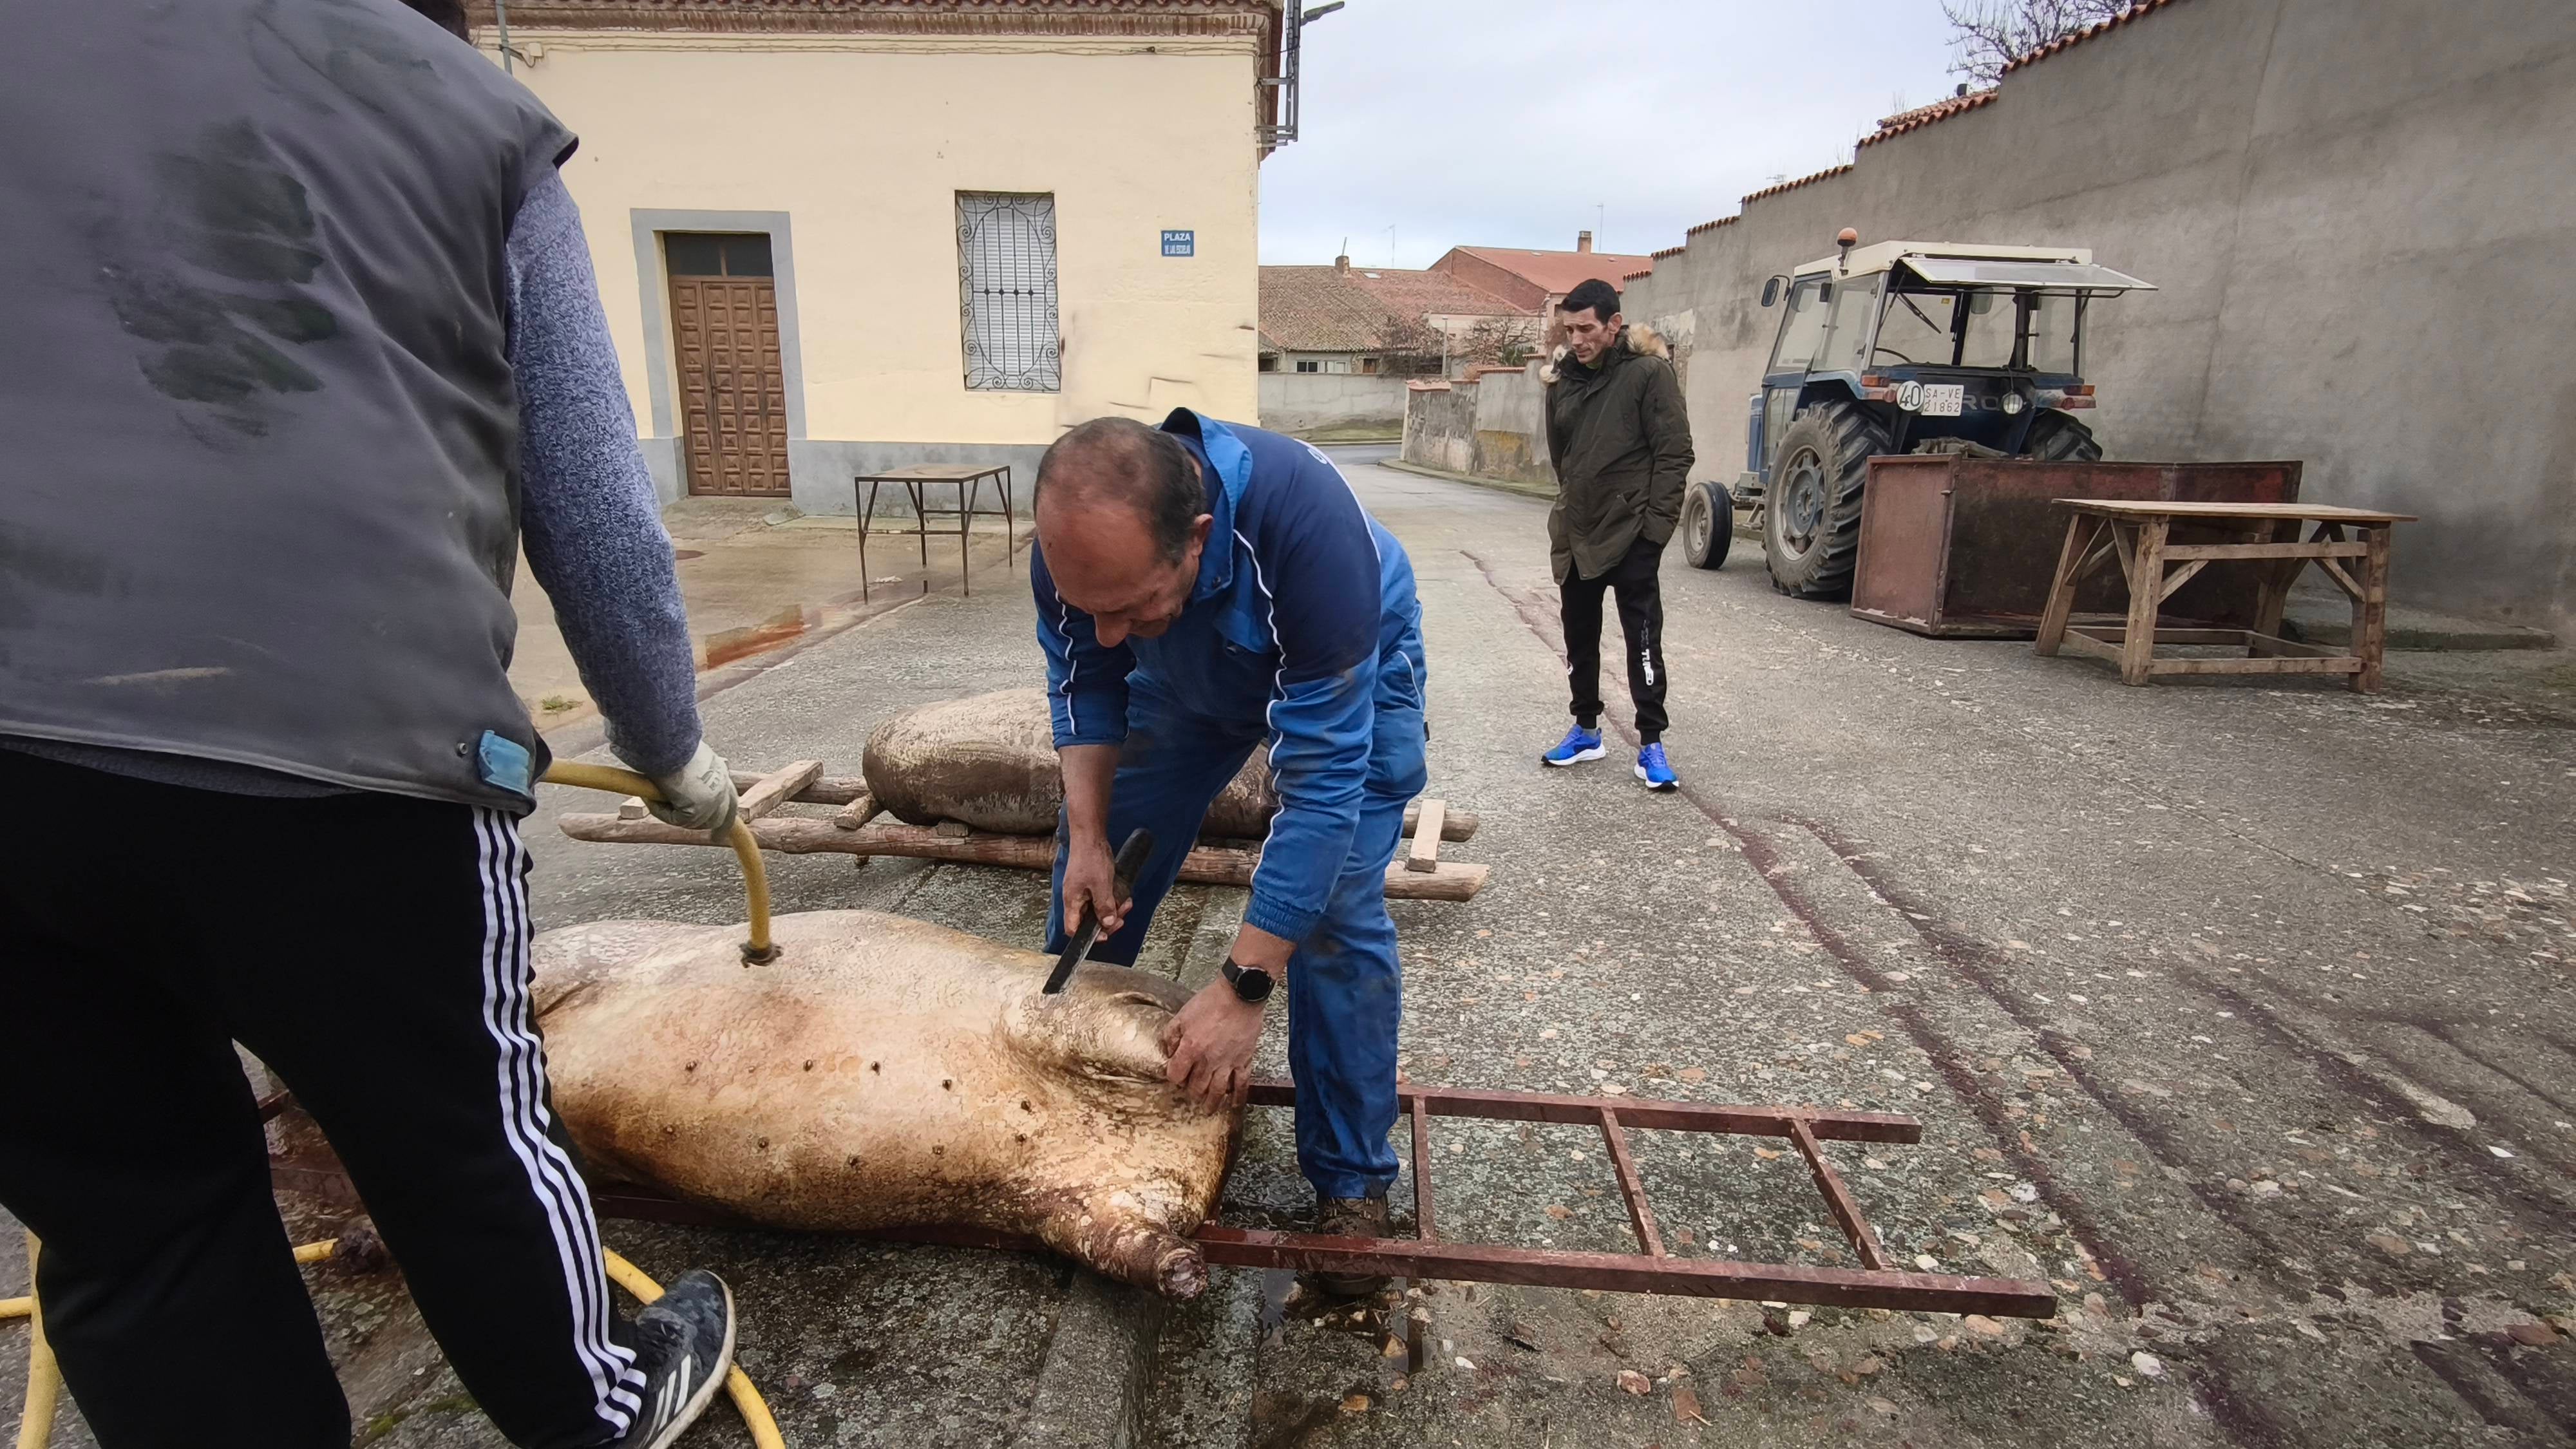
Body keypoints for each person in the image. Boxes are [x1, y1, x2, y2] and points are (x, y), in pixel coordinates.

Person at [0, 3, 741, 1445]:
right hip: (344, 751)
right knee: (460, 1147)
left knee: (135, 1219)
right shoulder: (461, 111)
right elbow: (590, 510)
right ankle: (604, 1404)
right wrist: (668, 744)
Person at [1030, 412, 1428, 1294]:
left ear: (1198, 538)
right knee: (1097, 865)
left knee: (1332, 911)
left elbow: (1323, 791)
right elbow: (1087, 683)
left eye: (1125, 605)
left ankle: (1351, 1181)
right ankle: (1067, 1085)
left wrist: (1246, 983)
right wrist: (1090, 838)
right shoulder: (1081, 561)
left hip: (1351, 656)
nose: (1104, 628)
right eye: (1092, 609)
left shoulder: (1307, 532)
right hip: (1186, 674)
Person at [1539, 277, 1695, 791]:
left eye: (1586, 329)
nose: (1577, 340)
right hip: (1578, 531)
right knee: (1578, 638)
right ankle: (1586, 731)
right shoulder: (1562, 378)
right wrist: (1571, 507)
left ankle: (1651, 742)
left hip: (1631, 533)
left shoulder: (1650, 374)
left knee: (1643, 639)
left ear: (1614, 324)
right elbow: (1562, 455)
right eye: (1569, 330)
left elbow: (1675, 455)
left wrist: (1653, 533)